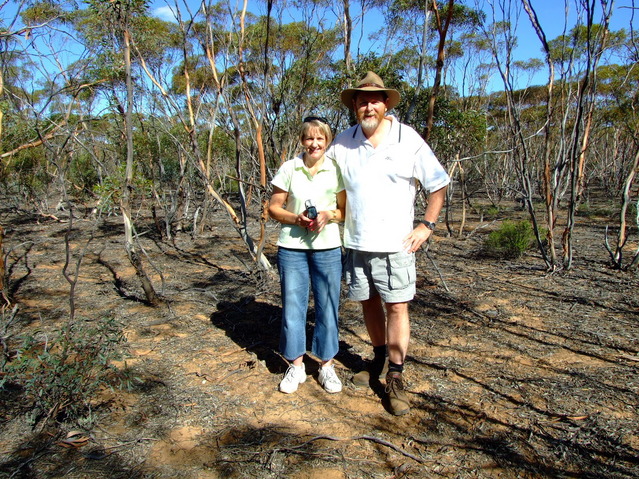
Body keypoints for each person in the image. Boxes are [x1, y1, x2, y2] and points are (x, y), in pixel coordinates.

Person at [326, 72, 450, 415]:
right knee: (368, 303)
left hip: (396, 244)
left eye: (375, 99)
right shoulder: (341, 142)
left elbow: (438, 184)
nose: (369, 106)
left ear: (385, 104)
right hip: (356, 243)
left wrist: (426, 225)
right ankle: (377, 359)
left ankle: (395, 376)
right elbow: (326, 184)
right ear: (354, 105)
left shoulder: (407, 138)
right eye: (362, 100)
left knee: (397, 306)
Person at [268, 116, 346, 395]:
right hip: (292, 248)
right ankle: (296, 366)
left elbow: (345, 210)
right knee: (292, 306)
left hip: (327, 248)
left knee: (328, 306)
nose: (315, 144)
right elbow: (274, 208)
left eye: (320, 139)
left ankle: (326, 366)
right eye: (309, 138)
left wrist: (328, 214)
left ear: (327, 141)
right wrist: (296, 219)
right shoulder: (290, 168)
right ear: (302, 140)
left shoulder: (336, 169)